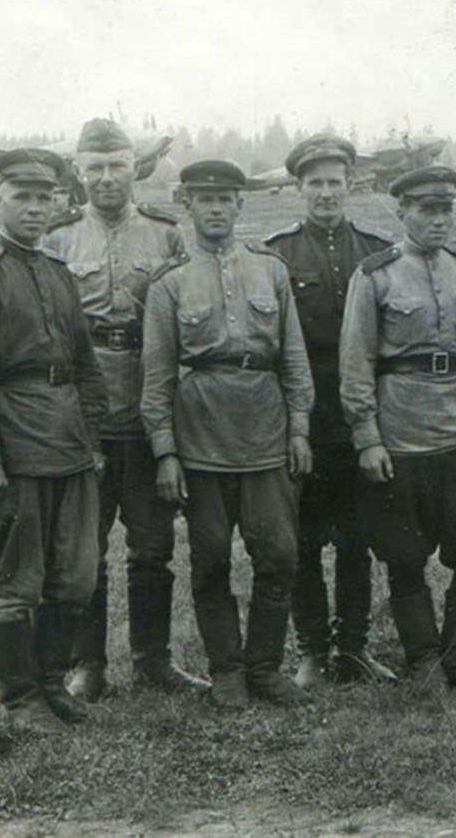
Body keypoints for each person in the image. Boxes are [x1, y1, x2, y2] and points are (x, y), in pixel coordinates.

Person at [0, 147, 107, 731]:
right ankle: (20, 700)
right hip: (13, 448)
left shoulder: (59, 273)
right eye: (22, 197)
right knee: (18, 581)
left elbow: (84, 364)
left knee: (76, 576)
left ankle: (51, 684)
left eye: (45, 197)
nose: (35, 208)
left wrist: (92, 438)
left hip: (68, 446)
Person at [41, 117, 206, 700]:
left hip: (148, 409)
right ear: (78, 172)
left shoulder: (166, 235)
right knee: (85, 551)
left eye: (117, 166)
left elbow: (186, 322)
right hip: (83, 417)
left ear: (136, 168)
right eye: (95, 168)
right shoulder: (58, 239)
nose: (107, 178)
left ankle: (153, 661)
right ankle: (88, 666)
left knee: (153, 546)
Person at [142, 159, 316, 709]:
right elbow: (157, 375)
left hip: (266, 433)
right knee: (211, 559)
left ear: (240, 205)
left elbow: (294, 358)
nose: (215, 209)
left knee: (279, 556)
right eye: (204, 199)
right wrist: (166, 452)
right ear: (187, 205)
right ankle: (227, 672)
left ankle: (264, 667)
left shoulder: (271, 270)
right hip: (202, 439)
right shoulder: (168, 283)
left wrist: (300, 429)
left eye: (225, 199)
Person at [337, 165, 456, 689]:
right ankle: (424, 660)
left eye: (446, 209)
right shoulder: (375, 275)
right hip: (402, 433)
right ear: (403, 212)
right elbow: (356, 362)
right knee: (404, 553)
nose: (439, 220)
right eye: (427, 210)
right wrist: (368, 437)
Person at [263, 134, 400, 689]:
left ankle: (354, 648)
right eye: (315, 183)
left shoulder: (376, 250)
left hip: (361, 419)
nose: (326, 193)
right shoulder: (278, 255)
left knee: (356, 538)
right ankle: (312, 652)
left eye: (335, 183)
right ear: (299, 188)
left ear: (350, 185)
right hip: (305, 419)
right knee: (301, 539)